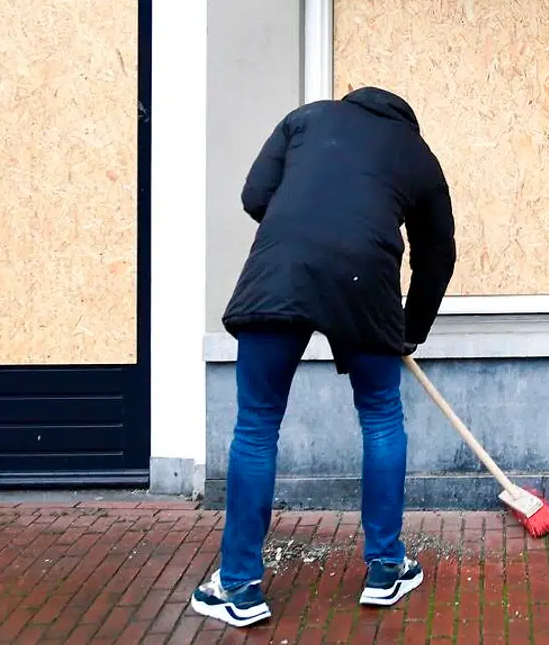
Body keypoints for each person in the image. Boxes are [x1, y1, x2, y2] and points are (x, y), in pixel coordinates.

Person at [191, 87, 456, 627]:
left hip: (278, 274)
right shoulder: (419, 155)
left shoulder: (305, 120)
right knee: (381, 416)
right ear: (408, 121)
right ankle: (386, 568)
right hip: (365, 281)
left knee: (257, 425)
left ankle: (238, 587)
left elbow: (254, 196)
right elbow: (438, 254)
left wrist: (303, 227)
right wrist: (410, 331)